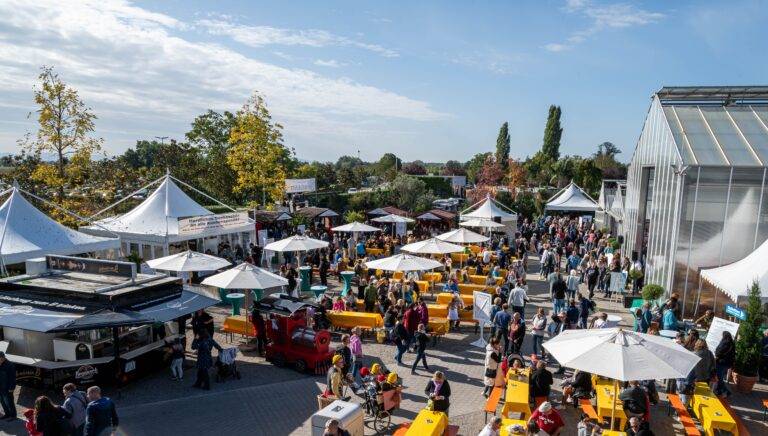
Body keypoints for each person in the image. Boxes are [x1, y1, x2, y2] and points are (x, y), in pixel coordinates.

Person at [714, 330, 735, 397]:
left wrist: (716, 352)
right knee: (720, 377)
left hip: (721, 363)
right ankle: (719, 391)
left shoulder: (725, 343)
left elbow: (718, 352)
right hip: (727, 364)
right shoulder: (732, 343)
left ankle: (726, 391)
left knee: (719, 377)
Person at [0, 351, 16, 421]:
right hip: (1, 388)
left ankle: (13, 416)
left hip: (7, 388)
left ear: (3, 358)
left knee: (9, 402)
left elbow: (13, 378)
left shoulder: (10, 365)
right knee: (3, 402)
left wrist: (11, 388)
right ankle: (7, 414)